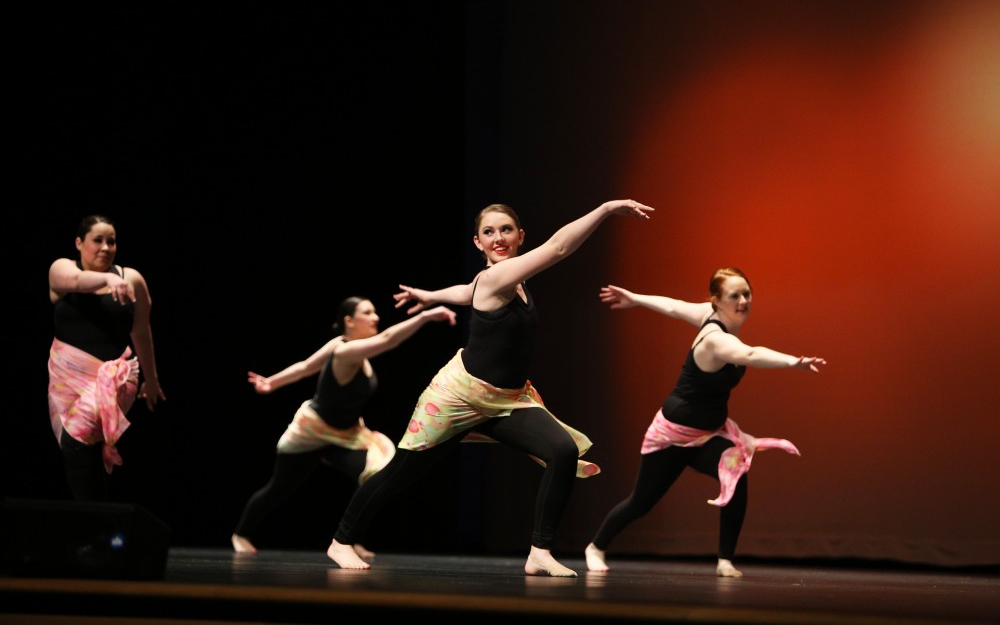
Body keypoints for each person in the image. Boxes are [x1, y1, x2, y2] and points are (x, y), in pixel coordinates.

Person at [326, 199, 654, 577]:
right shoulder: (498, 277)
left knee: (562, 451)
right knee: (402, 472)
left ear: (520, 237)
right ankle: (341, 541)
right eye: (489, 232)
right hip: (458, 397)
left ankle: (540, 554)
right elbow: (559, 247)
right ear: (477, 242)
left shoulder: (511, 278)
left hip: (506, 400)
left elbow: (467, 291)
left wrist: (431, 295)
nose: (498, 238)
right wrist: (606, 209)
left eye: (506, 230)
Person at [583, 269, 826, 578]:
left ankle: (725, 560)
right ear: (716, 302)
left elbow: (671, 306)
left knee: (736, 476)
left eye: (746, 294)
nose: (743, 301)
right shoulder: (715, 338)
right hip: (672, 435)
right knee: (641, 503)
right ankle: (596, 546)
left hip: (708, 434)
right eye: (734, 296)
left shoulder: (710, 314)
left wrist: (635, 299)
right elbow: (751, 353)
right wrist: (793, 361)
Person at [232, 296, 457, 558]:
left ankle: (349, 539)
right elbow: (384, 341)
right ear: (349, 321)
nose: (376, 317)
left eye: (374, 312)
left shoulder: (352, 349)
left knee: (372, 476)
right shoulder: (343, 350)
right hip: (313, 431)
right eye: (368, 313)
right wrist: (424, 316)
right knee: (279, 489)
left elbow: (305, 367)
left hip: (347, 434)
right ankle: (241, 533)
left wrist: (272, 382)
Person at [47, 214, 166, 501]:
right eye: (97, 240)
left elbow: (141, 332)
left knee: (78, 439)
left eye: (111, 241)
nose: (105, 247)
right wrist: (106, 279)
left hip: (117, 376)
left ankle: (93, 526)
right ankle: (98, 525)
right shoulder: (61, 268)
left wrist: (151, 380)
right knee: (77, 451)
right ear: (79, 243)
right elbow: (75, 280)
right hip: (66, 377)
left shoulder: (131, 278)